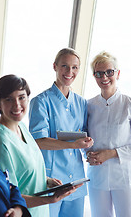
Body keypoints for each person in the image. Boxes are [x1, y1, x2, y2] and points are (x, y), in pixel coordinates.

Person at [0, 74, 81, 217]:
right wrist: (49, 199)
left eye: (21, 97)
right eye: (9, 99)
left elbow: (25, 172)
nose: (17, 105)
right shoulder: (0, 143)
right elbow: (6, 197)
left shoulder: (22, 127)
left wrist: (48, 181)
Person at [29, 47, 94, 217]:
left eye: (74, 67)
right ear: (55, 66)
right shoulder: (40, 102)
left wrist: (90, 146)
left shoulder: (81, 103)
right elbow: (38, 141)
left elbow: (85, 136)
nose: (69, 72)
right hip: (52, 180)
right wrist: (72, 144)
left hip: (76, 179)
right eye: (64, 66)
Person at [86, 51, 131, 217]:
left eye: (109, 72)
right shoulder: (89, 106)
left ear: (118, 73)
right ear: (94, 76)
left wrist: (112, 153)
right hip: (97, 177)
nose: (104, 77)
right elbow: (83, 139)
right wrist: (87, 154)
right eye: (99, 73)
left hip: (124, 177)